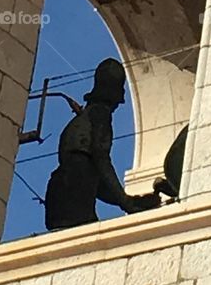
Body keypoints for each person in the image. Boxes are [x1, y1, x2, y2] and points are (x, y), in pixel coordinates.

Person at [44, 58, 160, 230]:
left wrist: (125, 200)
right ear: (114, 94)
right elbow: (101, 163)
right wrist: (127, 203)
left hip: (60, 198)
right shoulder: (100, 115)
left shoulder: (81, 120)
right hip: (75, 199)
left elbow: (97, 183)